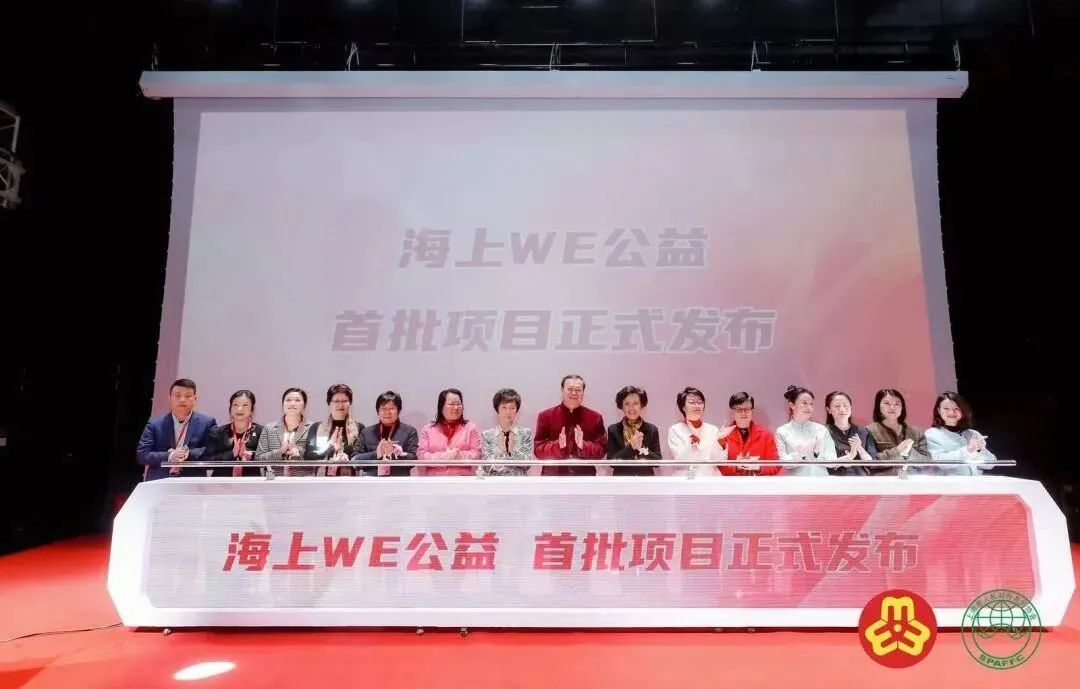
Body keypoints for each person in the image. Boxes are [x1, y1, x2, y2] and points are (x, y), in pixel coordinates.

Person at [136, 378, 218, 480]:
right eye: (177, 395)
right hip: (159, 481)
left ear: (195, 399)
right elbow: (142, 455)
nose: (182, 400)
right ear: (170, 398)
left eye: (187, 396)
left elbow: (213, 452)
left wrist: (188, 453)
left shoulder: (207, 423)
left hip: (192, 482)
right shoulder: (155, 424)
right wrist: (170, 456)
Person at [533, 374, 606, 476]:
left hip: (584, 477)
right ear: (562, 390)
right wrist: (557, 445)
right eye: (570, 389)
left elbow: (601, 450)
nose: (574, 393)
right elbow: (538, 450)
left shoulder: (595, 417)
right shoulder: (545, 416)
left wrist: (583, 445)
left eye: (578, 390)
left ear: (583, 392)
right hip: (553, 477)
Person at [925, 391, 997, 475]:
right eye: (946, 408)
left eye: (956, 408)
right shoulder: (931, 434)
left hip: (976, 481)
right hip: (950, 482)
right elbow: (940, 463)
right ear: (938, 410)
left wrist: (979, 450)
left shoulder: (973, 434)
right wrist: (968, 450)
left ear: (962, 410)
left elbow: (990, 465)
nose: (951, 412)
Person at [351, 391, 419, 477]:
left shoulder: (410, 431)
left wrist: (394, 453)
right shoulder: (366, 432)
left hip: (399, 482)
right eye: (383, 409)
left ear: (398, 410)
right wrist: (377, 454)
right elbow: (354, 461)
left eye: (391, 408)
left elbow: (413, 460)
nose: (387, 412)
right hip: (370, 482)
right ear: (378, 411)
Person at [774, 385, 837, 477]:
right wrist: (801, 454)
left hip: (820, 479)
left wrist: (817, 453)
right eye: (804, 403)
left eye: (811, 404)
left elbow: (832, 460)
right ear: (792, 405)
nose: (809, 407)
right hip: (796, 481)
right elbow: (784, 463)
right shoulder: (782, 431)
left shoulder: (821, 430)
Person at [417, 388, 482, 476]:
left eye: (459, 404)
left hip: (463, 479)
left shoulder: (471, 428)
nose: (456, 407)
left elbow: (477, 454)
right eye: (451, 404)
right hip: (435, 480)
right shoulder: (428, 429)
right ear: (441, 406)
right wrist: (445, 457)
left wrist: (459, 456)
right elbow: (421, 456)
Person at [866, 388, 929, 475]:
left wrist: (910, 452)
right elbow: (870, 462)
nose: (892, 407)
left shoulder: (916, 432)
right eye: (887, 403)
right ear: (878, 406)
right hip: (883, 481)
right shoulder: (869, 431)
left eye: (897, 404)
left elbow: (927, 463)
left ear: (902, 408)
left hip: (913, 480)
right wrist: (897, 451)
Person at [201, 390, 264, 477]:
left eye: (245, 405)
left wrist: (250, 456)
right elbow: (207, 461)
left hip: (250, 482)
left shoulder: (261, 431)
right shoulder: (217, 432)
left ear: (252, 410)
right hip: (222, 482)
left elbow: (267, 459)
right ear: (230, 409)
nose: (239, 409)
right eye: (235, 405)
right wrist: (231, 454)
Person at [304, 384, 364, 477]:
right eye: (336, 401)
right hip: (322, 480)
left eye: (345, 401)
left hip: (351, 479)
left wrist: (347, 457)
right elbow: (308, 456)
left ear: (350, 403)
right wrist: (329, 447)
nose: (340, 405)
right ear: (329, 404)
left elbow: (361, 456)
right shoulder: (316, 427)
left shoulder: (359, 427)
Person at [716, 392, 780, 476]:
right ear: (732, 412)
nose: (743, 413)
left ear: (752, 411)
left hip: (758, 483)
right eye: (739, 409)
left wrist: (758, 467)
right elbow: (717, 466)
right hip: (732, 483)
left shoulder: (766, 435)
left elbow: (776, 465)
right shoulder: (724, 436)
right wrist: (736, 466)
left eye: (747, 409)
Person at [256, 388, 315, 476]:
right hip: (274, 479)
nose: (292, 403)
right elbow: (258, 459)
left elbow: (316, 459)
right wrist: (280, 451)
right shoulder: (269, 428)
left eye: (297, 400)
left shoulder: (313, 427)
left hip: (302, 480)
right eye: (288, 400)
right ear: (283, 404)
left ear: (304, 405)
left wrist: (298, 451)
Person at [606, 386, 662, 476]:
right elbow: (611, 462)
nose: (631, 408)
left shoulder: (652, 429)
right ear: (621, 406)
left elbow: (657, 462)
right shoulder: (613, 429)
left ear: (641, 406)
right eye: (627, 404)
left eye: (636, 403)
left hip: (645, 480)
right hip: (622, 480)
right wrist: (631, 447)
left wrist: (640, 448)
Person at [665, 387, 721, 476]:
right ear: (683, 407)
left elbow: (719, 460)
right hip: (685, 477)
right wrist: (694, 441)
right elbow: (680, 460)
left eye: (700, 402)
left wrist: (722, 442)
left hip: (709, 477)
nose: (697, 405)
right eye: (692, 402)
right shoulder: (675, 430)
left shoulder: (713, 430)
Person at [480, 388, 535, 476]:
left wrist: (513, 452)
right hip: (495, 482)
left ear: (517, 410)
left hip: (519, 482)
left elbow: (527, 464)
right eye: (504, 407)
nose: (508, 412)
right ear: (497, 409)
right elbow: (485, 466)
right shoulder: (487, 435)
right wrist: (500, 453)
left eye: (512, 408)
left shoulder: (525, 433)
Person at [823, 391, 879, 476]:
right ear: (829, 410)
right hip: (834, 479)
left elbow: (872, 463)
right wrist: (850, 456)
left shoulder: (863, 431)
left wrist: (859, 448)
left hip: (861, 479)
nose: (842, 409)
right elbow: (824, 462)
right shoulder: (823, 431)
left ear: (851, 408)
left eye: (846, 405)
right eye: (837, 406)